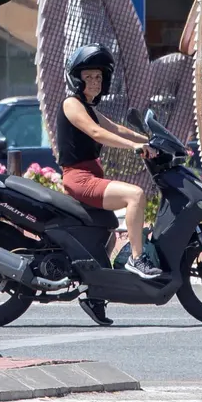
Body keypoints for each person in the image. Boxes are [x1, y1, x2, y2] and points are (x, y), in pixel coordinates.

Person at [57, 43, 163, 284]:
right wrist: (135, 147)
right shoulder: (71, 103)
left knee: (108, 235)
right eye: (89, 77)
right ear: (77, 79)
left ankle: (95, 290)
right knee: (135, 195)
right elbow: (96, 132)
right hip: (80, 179)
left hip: (91, 176)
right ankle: (137, 259)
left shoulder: (87, 107)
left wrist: (151, 139)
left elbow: (115, 128)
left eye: (99, 76)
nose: (95, 81)